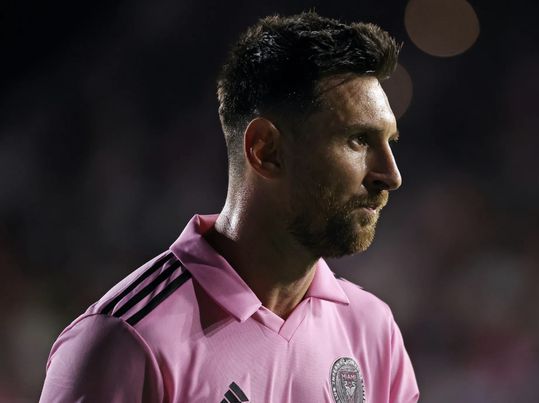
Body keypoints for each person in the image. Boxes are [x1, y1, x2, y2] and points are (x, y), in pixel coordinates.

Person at [40, 11, 419, 403]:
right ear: (266, 151)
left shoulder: (373, 331)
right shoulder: (125, 342)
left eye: (390, 142)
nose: (391, 175)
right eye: (359, 140)